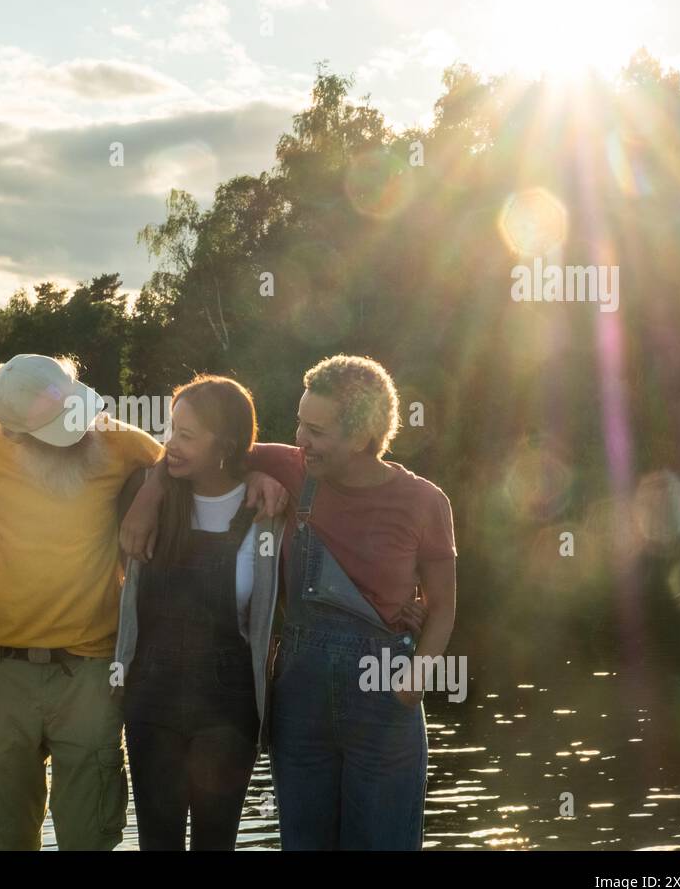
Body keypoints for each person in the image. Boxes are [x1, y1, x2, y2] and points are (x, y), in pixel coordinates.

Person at [0, 354, 287, 850]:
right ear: (7, 429)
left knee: (91, 835)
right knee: (6, 835)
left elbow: (191, 455)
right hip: (0, 667)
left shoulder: (118, 442)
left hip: (95, 671)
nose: (74, 431)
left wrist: (168, 488)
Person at [122, 354, 454, 850]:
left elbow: (444, 607)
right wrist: (149, 495)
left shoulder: (426, 501)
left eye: (315, 430)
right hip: (299, 699)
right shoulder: (290, 467)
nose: (299, 439)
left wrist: (418, 676)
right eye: (299, 422)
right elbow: (191, 447)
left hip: (385, 695)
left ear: (363, 436)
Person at [113, 375, 284, 850]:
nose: (172, 445)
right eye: (172, 430)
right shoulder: (146, 499)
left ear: (225, 443)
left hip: (228, 706)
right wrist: (153, 484)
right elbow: (100, 441)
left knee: (217, 842)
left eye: (187, 436)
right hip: (151, 697)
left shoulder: (267, 510)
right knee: (157, 841)